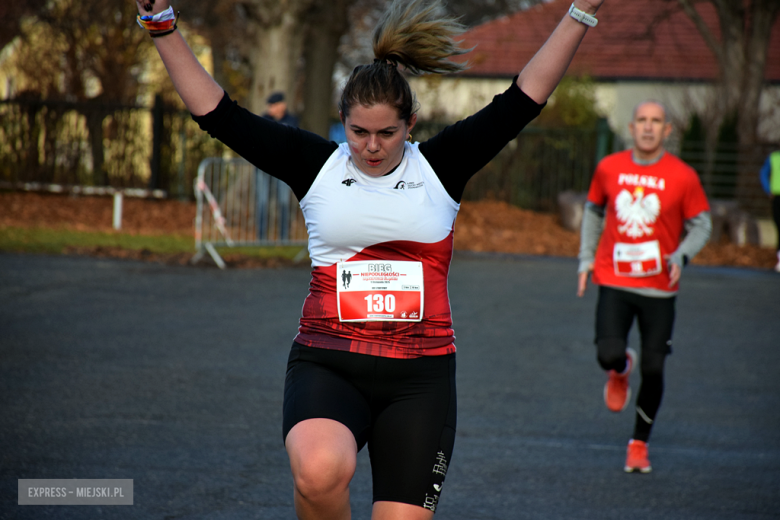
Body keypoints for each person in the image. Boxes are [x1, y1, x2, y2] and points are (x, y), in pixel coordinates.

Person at [136, 0, 605, 516]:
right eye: (359, 133)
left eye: (388, 133)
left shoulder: (442, 165)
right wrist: (162, 27)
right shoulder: (314, 165)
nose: (372, 148)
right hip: (329, 363)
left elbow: (524, 98)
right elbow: (220, 116)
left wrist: (580, 10)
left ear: (412, 123)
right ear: (343, 122)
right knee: (318, 473)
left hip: (419, 379)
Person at [577, 100, 712, 474]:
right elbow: (593, 211)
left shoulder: (683, 176)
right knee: (607, 354)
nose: (648, 127)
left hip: (659, 289)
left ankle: (638, 444)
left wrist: (681, 256)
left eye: (656, 121)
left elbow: (702, 224)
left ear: (667, 130)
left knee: (654, 369)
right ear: (631, 127)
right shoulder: (609, 168)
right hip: (614, 279)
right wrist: (586, 258)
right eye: (641, 120)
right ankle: (620, 369)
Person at [258, 92, 299, 241]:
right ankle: (261, 238)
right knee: (262, 202)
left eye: (273, 105)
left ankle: (284, 237)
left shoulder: (292, 121)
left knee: (283, 202)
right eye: (269, 105)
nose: (270, 108)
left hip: (283, 168)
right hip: (264, 168)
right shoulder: (263, 119)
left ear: (282, 105)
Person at [758, 150, 780, 272]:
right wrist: (768, 189)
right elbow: (763, 173)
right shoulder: (774, 157)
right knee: (779, 226)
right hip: (777, 197)